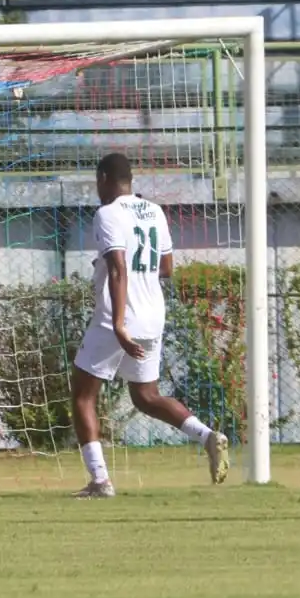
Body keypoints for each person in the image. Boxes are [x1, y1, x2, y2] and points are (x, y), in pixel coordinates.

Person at [70, 153, 229, 497]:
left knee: (83, 396)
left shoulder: (107, 213)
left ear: (102, 179)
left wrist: (119, 325)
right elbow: (168, 267)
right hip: (153, 314)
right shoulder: (154, 211)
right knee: (146, 396)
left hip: (119, 318)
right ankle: (207, 436)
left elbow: (117, 269)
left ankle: (100, 481)